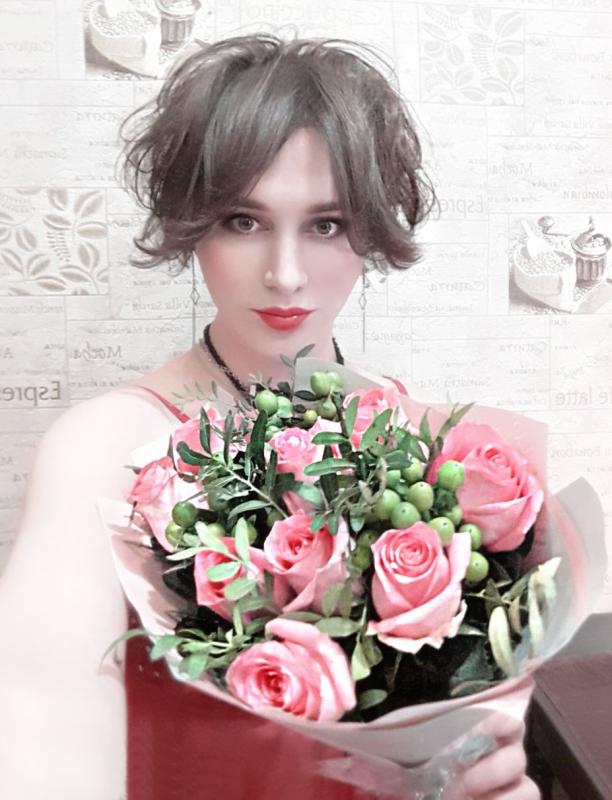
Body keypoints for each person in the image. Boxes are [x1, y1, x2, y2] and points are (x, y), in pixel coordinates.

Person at [0, 33, 539, 800]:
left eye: (326, 224)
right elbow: (41, 746)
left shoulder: (432, 450)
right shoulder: (100, 450)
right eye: (242, 221)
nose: (285, 275)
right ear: (192, 223)